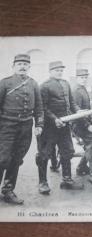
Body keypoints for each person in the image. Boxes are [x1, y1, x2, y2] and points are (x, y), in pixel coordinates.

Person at [0, 54, 44, 204]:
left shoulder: (33, 84)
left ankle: (8, 191)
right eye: (19, 63)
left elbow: (39, 107)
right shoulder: (5, 83)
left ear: (29, 67)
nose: (22, 66)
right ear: (13, 66)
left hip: (26, 126)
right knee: (3, 159)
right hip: (7, 125)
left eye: (25, 64)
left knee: (17, 159)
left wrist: (39, 124)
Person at [36, 61, 84, 194]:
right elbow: (42, 107)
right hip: (49, 127)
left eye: (61, 70)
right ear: (50, 71)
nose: (59, 72)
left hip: (64, 125)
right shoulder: (44, 86)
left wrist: (78, 110)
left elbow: (72, 102)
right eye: (57, 70)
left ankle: (67, 180)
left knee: (67, 151)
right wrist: (54, 119)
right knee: (44, 154)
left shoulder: (65, 83)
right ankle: (43, 183)